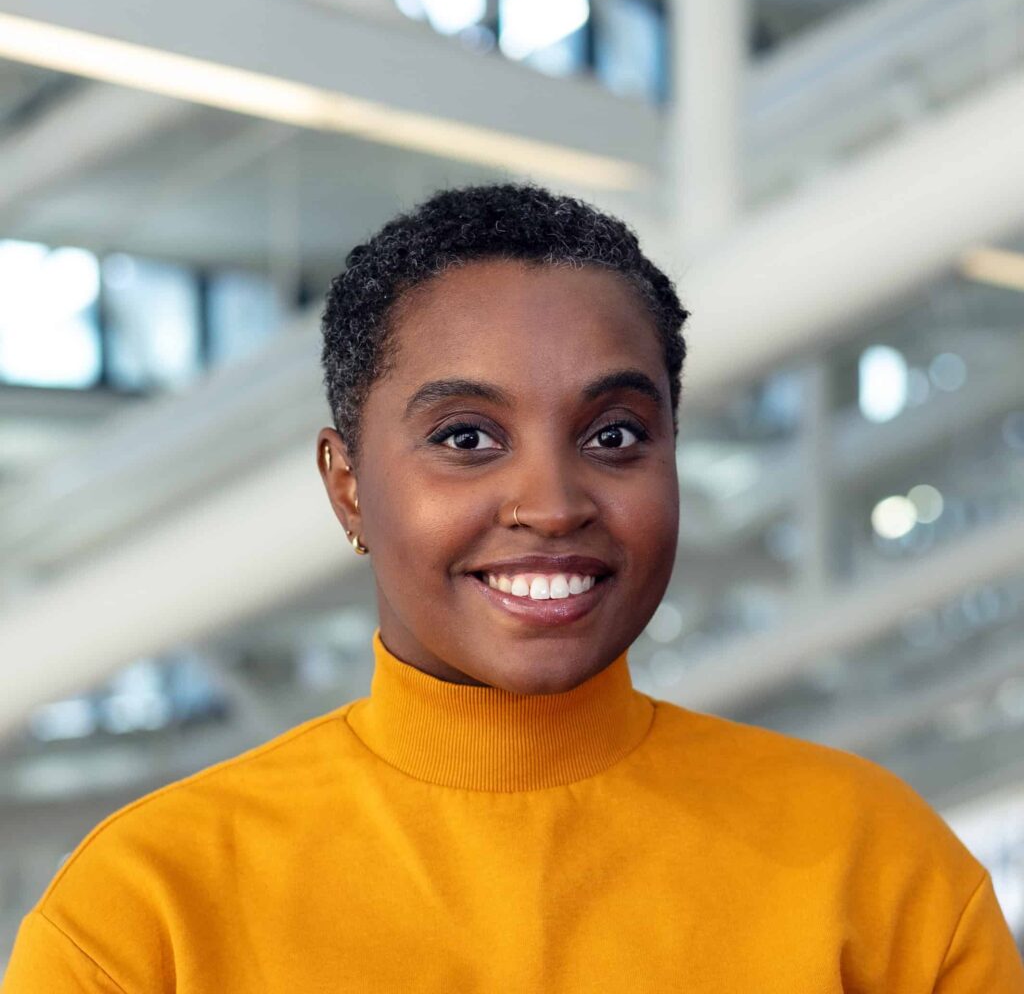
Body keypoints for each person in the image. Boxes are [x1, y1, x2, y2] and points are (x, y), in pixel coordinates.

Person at [3, 183, 1022, 992]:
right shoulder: (151, 910)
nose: (551, 501)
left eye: (613, 434)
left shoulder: (875, 867)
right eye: (465, 438)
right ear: (347, 484)